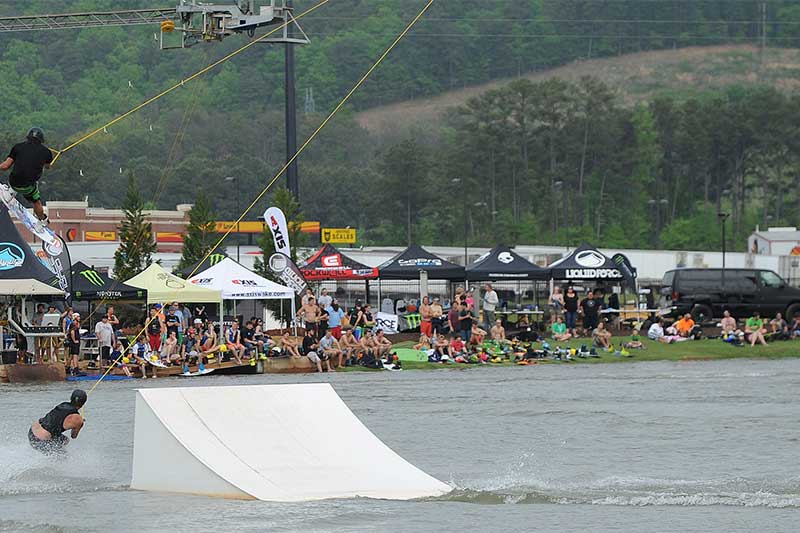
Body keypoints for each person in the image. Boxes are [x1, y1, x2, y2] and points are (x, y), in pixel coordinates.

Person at [0, 127, 54, 222]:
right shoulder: (47, 152)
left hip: (13, 182)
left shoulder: (18, 147)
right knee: (36, 202)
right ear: (41, 140)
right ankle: (42, 220)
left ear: (28, 137)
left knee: (17, 178)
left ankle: (10, 192)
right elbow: (48, 166)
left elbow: (5, 166)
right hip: (28, 187)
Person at [29, 389, 86, 454]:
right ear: (84, 403)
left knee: (64, 440)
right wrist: (80, 424)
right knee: (64, 457)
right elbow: (73, 436)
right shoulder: (78, 420)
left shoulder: (63, 404)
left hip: (32, 432)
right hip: (40, 441)